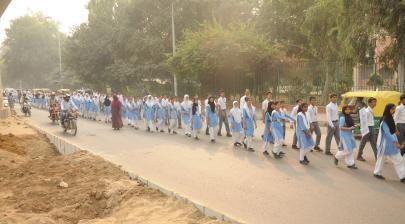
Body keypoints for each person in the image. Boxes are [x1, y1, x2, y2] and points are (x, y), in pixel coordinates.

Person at [374, 103, 405, 183]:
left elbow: (392, 128)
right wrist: (395, 143)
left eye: (394, 109)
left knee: (398, 159)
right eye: (392, 109)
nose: (394, 111)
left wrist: (396, 131)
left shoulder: (390, 118)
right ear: (388, 109)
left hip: (391, 142)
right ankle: (377, 173)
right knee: (382, 159)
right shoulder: (384, 120)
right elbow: (387, 133)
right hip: (386, 143)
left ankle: (403, 176)